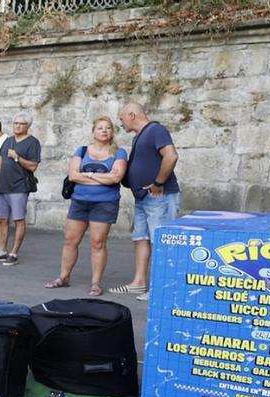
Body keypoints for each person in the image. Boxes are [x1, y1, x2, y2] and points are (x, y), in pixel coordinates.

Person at [46, 117, 129, 297]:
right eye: (100, 128)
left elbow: (116, 178)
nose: (104, 131)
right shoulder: (82, 150)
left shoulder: (119, 153)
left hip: (104, 203)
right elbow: (74, 176)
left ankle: (95, 283)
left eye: (108, 128)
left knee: (97, 243)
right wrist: (101, 177)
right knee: (70, 241)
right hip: (80, 201)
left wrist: (88, 174)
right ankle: (63, 277)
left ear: (112, 132)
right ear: (93, 132)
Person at [113, 102, 180, 301]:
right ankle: (139, 283)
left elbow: (171, 156)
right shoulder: (140, 136)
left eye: (122, 117)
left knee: (161, 242)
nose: (121, 122)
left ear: (132, 115)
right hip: (143, 198)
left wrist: (158, 183)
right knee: (140, 238)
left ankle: (161, 288)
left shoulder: (156, 130)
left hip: (159, 196)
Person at [0, 112, 41, 266]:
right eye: (15, 123)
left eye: (21, 123)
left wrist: (18, 158)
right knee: (2, 220)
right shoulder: (8, 140)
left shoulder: (33, 142)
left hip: (19, 186)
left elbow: (33, 166)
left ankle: (14, 253)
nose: (17, 126)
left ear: (28, 126)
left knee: (18, 220)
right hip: (2, 186)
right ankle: (2, 251)